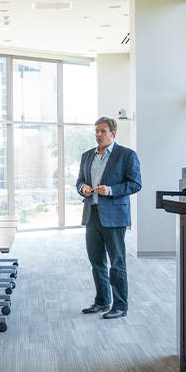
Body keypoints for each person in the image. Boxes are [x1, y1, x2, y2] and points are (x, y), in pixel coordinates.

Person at [76, 117, 141, 319]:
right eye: (96, 131)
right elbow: (79, 181)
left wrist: (111, 189)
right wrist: (83, 188)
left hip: (114, 216)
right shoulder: (87, 156)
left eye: (103, 131)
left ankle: (120, 306)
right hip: (92, 215)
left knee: (117, 263)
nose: (98, 134)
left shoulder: (127, 155)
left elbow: (135, 184)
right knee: (96, 262)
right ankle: (102, 301)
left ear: (113, 133)